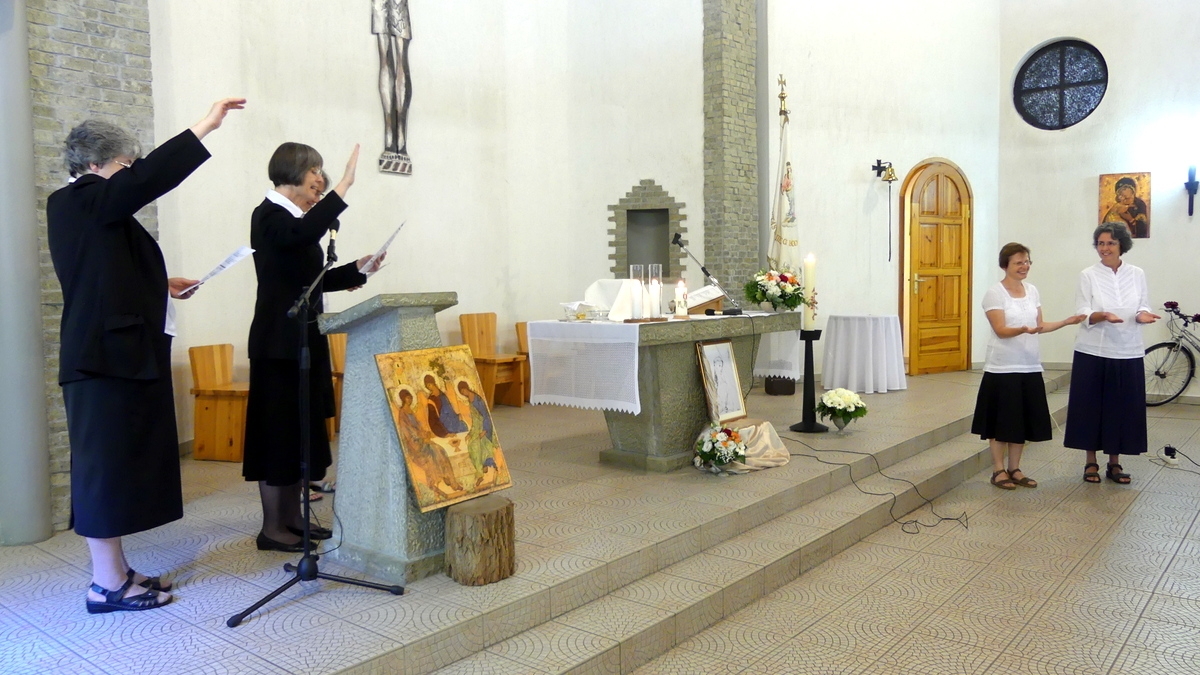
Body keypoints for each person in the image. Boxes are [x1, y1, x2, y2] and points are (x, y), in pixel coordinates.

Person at [48, 98, 245, 613]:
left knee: (115, 467)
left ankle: (118, 571)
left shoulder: (95, 207)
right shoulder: (75, 198)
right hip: (98, 362)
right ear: (96, 164)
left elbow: (105, 275)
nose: (131, 173)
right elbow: (145, 183)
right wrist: (204, 126)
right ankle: (105, 586)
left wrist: (161, 283)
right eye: (125, 164)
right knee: (101, 472)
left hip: (113, 357)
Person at [243, 142, 383, 553]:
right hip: (277, 343)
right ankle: (273, 528)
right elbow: (302, 235)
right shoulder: (269, 215)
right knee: (278, 436)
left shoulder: (296, 221)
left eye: (323, 172)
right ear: (292, 170)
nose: (320, 180)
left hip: (302, 339)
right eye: (315, 171)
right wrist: (345, 185)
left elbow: (309, 281)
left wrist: (356, 269)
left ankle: (292, 519)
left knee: (297, 435)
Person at [971, 243, 1084, 490]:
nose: (1024, 266)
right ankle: (998, 470)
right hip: (1003, 368)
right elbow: (1000, 330)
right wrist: (1022, 329)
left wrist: (1066, 322)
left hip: (1030, 366)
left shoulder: (1032, 290)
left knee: (1020, 420)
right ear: (1005, 266)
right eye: (1018, 263)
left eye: (1027, 262)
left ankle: (1015, 468)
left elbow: (1039, 325)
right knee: (1000, 421)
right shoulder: (994, 293)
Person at [1064, 223, 1159, 484]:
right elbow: (1082, 311)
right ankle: (1090, 462)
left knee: (1121, 408)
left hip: (1128, 351)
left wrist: (1142, 315)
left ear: (1121, 245)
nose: (1104, 248)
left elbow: (1142, 305)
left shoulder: (1137, 273)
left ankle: (1114, 463)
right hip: (1093, 351)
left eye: (1110, 243)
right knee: (1091, 407)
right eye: (1100, 243)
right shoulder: (1088, 275)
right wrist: (1102, 315)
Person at [456, 381, 498, 484]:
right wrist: (470, 433)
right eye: (461, 392)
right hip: (477, 428)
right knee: (471, 445)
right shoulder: (470, 401)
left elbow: (486, 415)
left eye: (463, 390)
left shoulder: (477, 399)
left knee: (476, 446)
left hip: (484, 427)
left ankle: (481, 471)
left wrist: (485, 430)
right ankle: (481, 469)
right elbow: (475, 420)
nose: (463, 393)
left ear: (466, 388)